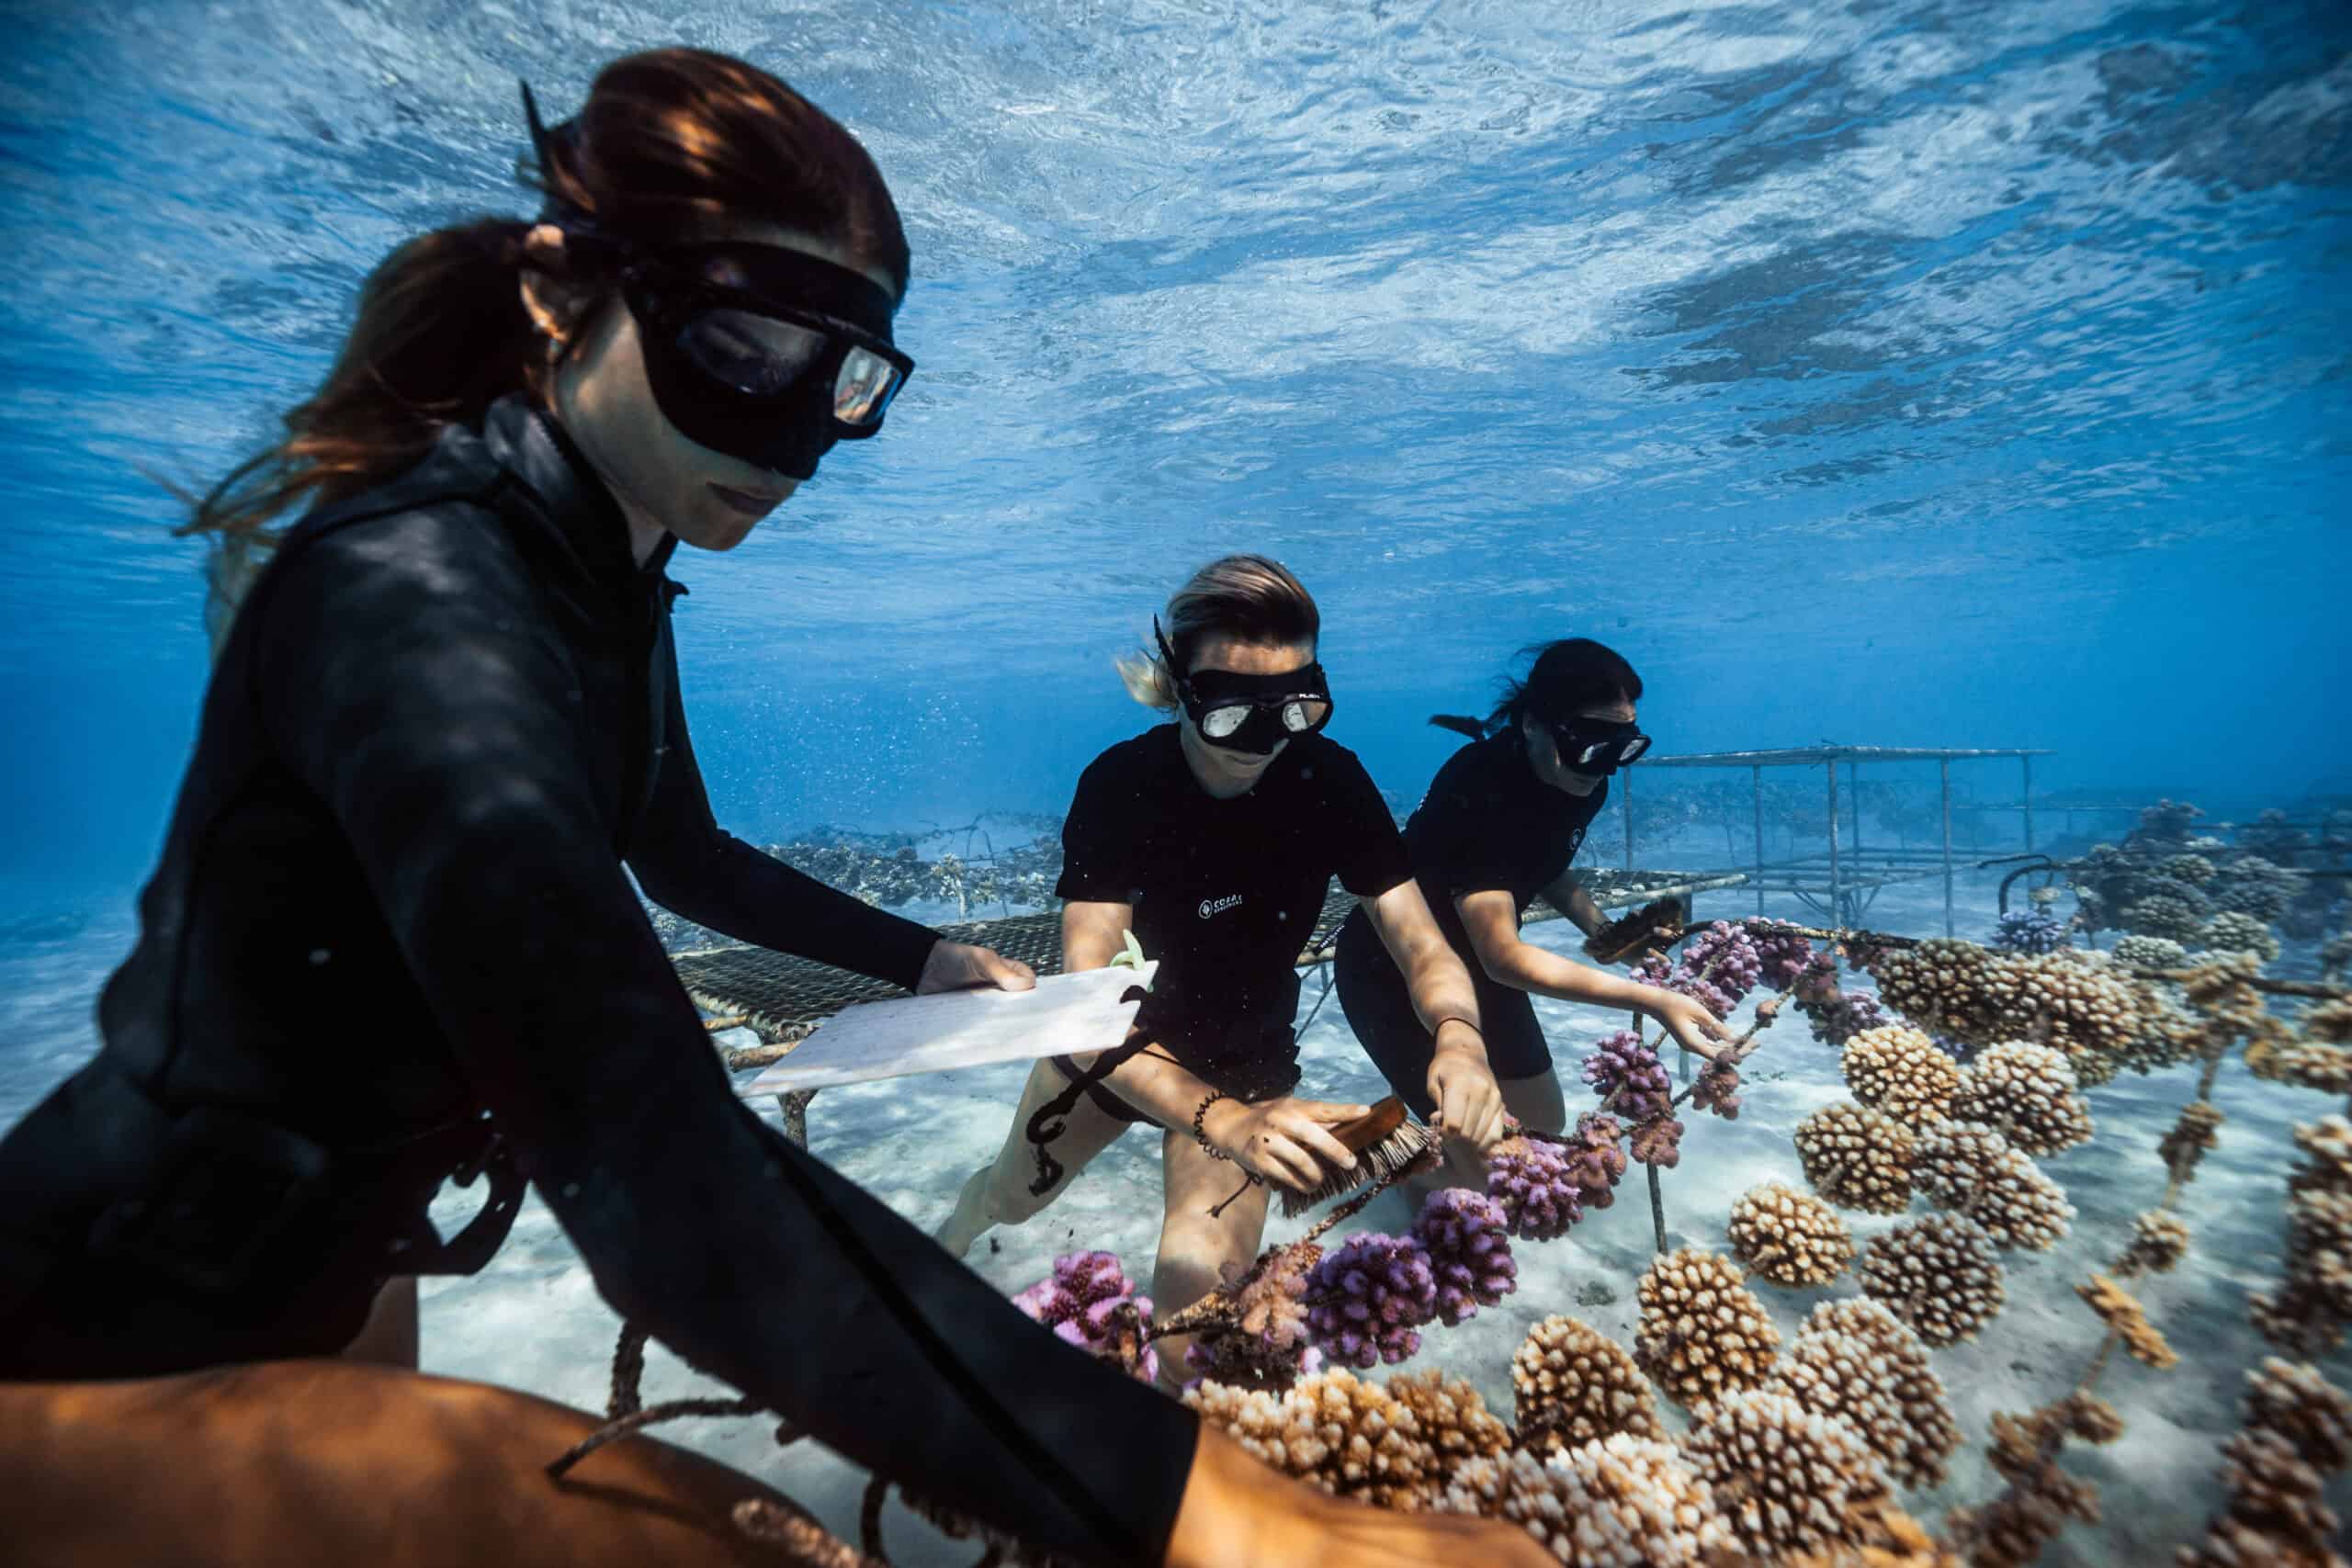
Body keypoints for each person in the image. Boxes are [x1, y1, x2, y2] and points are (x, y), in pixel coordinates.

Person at [0, 52, 1552, 1568]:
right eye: (745, 349)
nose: (798, 434)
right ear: (560, 291)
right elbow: (650, 1154)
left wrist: (921, 959)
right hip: (103, 1302)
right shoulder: (416, 595)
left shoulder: (603, 576)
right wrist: (1189, 1499)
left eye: (851, 381)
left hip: (332, 1239)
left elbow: (678, 854)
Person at [935, 555, 1510, 1383]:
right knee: (1010, 1200)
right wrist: (1221, 1118)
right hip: (1116, 1058)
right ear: (1178, 688)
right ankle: (947, 1243)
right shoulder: (1121, 786)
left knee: (1192, 1319)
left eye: (1297, 706)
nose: (1268, 739)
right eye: (1233, 710)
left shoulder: (1332, 780)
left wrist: (1459, 1038)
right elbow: (1087, 1003)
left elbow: (1419, 940)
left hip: (1246, 1063)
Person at [1332, 638, 1734, 1150]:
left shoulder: (1581, 778)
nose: (1605, 767)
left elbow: (1544, 865)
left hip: (1477, 961)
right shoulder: (1485, 788)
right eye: (1591, 746)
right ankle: (1388, 1174)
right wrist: (1653, 1000)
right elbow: (1502, 957)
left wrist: (1608, 936)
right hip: (1390, 968)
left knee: (1541, 1127)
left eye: (1623, 748)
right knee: (1488, 1151)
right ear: (1533, 726)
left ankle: (1407, 1155)